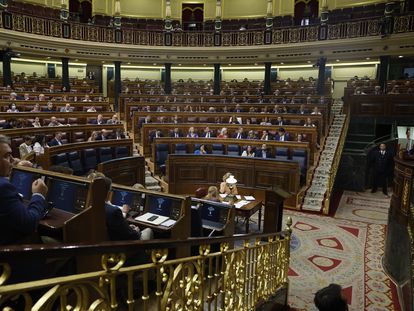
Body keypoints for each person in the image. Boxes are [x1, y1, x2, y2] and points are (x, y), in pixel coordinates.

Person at [0, 135, 48, 246]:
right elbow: (30, 224)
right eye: (7, 156)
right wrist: (38, 195)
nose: (12, 159)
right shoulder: (4, 188)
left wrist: (13, 166)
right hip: (14, 252)